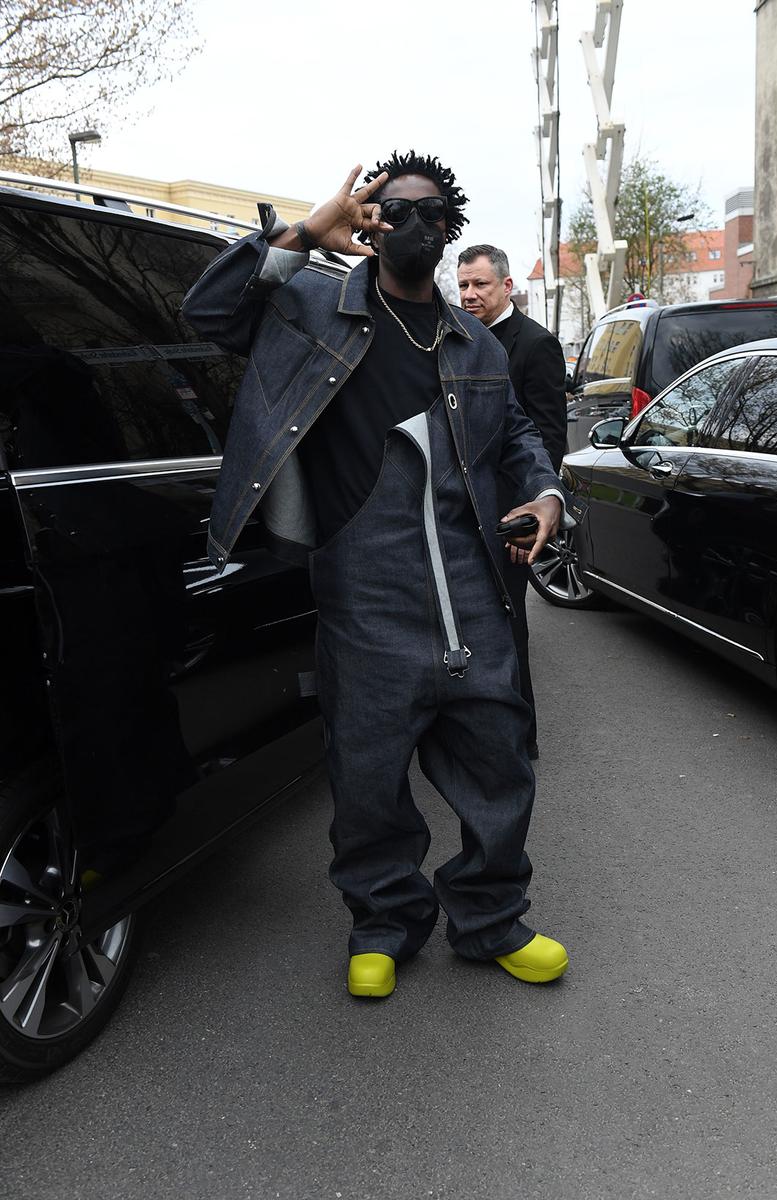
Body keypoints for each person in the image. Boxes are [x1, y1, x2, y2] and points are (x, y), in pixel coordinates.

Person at [182, 152, 570, 999]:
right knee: (366, 775)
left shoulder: (475, 341)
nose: (413, 224)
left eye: (431, 213)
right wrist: (305, 232)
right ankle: (384, 925)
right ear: (371, 221)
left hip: (470, 579)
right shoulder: (313, 305)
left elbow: (517, 438)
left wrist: (545, 495)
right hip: (362, 577)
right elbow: (207, 311)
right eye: (396, 210)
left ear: (451, 229)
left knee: (499, 761)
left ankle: (491, 920)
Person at [457, 245, 568, 760]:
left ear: (506, 287)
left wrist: (528, 515)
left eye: (480, 284)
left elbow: (546, 437)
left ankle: (522, 742)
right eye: (463, 285)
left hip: (509, 517)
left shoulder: (536, 344)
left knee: (508, 627)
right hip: (461, 513)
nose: (469, 294)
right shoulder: (458, 339)